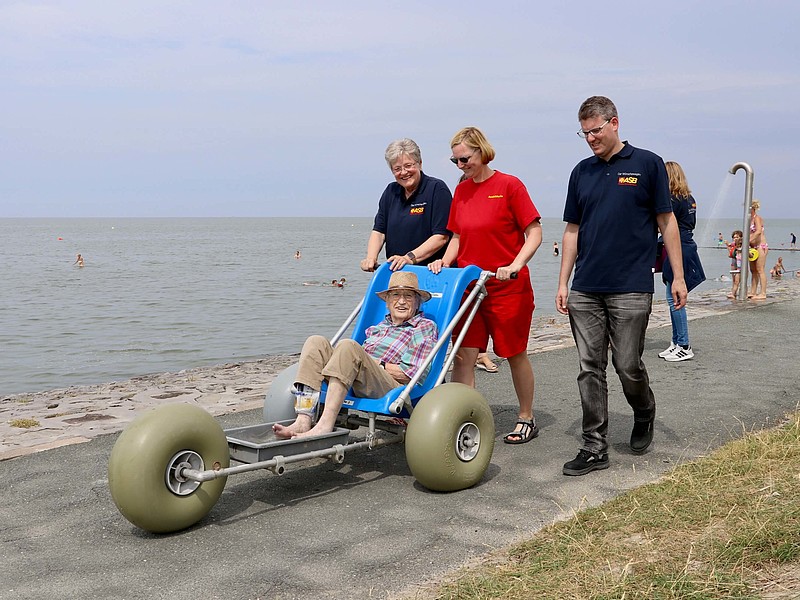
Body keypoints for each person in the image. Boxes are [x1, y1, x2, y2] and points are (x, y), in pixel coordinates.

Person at [555, 96, 687, 476]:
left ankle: (644, 410)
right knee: (588, 367)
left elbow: (667, 222)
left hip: (631, 284)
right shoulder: (581, 172)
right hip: (586, 287)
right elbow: (572, 230)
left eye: (596, 130)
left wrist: (676, 276)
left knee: (627, 364)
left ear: (615, 123)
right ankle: (594, 446)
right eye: (584, 133)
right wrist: (563, 282)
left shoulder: (647, 164)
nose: (590, 139)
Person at [428, 126, 543, 444]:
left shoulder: (509, 186)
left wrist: (516, 264)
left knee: (513, 353)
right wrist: (445, 262)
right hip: (468, 288)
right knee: (463, 354)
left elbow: (534, 232)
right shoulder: (461, 191)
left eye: (464, 158)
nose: (460, 165)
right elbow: (457, 236)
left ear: (481, 151)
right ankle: (463, 420)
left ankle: (526, 417)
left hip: (506, 286)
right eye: (454, 161)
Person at [273, 271, 437, 439]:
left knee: (347, 345)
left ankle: (325, 425)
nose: (401, 301)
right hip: (356, 377)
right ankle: (303, 419)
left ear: (417, 302)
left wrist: (378, 364)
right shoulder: (379, 327)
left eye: (408, 296)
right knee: (316, 342)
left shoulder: (423, 327)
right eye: (396, 295)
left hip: (390, 386)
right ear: (387, 302)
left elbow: (411, 375)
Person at [361, 138, 451, 273]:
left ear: (420, 164)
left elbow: (441, 237)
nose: (403, 172)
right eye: (397, 169)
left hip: (431, 272)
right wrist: (370, 258)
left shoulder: (437, 189)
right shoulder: (390, 191)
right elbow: (379, 232)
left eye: (408, 166)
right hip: (397, 273)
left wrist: (409, 258)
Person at [658, 162, 705, 363]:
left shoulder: (671, 199)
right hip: (687, 244)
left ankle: (684, 345)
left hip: (677, 245)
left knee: (674, 299)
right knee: (673, 297)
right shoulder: (689, 199)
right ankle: (677, 342)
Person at [748, 199, 768, 300]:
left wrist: (748, 239)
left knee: (760, 269)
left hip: (760, 246)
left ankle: (763, 293)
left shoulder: (757, 218)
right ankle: (753, 291)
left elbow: (758, 231)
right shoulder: (748, 219)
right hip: (752, 247)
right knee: (753, 270)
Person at [726, 230, 744, 299]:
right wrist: (728, 246)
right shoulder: (734, 246)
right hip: (734, 264)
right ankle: (734, 292)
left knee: (737, 280)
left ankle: (733, 294)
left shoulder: (743, 246)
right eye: (734, 238)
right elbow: (731, 255)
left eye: (737, 237)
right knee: (734, 280)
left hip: (740, 266)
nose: (735, 239)